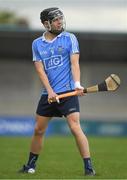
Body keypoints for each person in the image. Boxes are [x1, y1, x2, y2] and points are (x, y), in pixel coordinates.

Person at [19, 7, 95, 176]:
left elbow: (75, 63)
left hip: (68, 92)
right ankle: (30, 165)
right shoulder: (37, 44)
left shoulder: (70, 38)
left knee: (75, 127)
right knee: (38, 130)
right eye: (56, 20)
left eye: (61, 18)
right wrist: (50, 91)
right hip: (49, 95)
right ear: (46, 24)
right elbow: (40, 70)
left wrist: (77, 84)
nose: (60, 22)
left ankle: (89, 168)